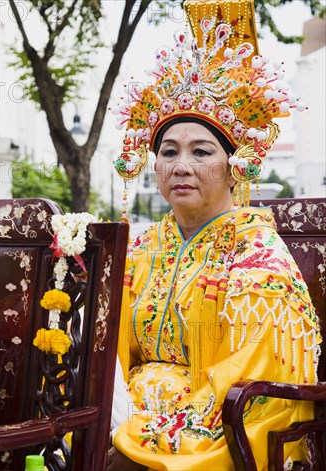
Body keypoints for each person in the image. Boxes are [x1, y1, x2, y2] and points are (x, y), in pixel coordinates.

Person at [107, 0, 321, 469]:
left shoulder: (258, 259)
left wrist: (143, 431)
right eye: (168, 151)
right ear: (154, 165)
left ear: (234, 166)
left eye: (201, 151)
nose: (181, 166)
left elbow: (256, 385)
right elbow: (110, 353)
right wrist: (112, 413)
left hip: (212, 429)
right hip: (125, 418)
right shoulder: (142, 249)